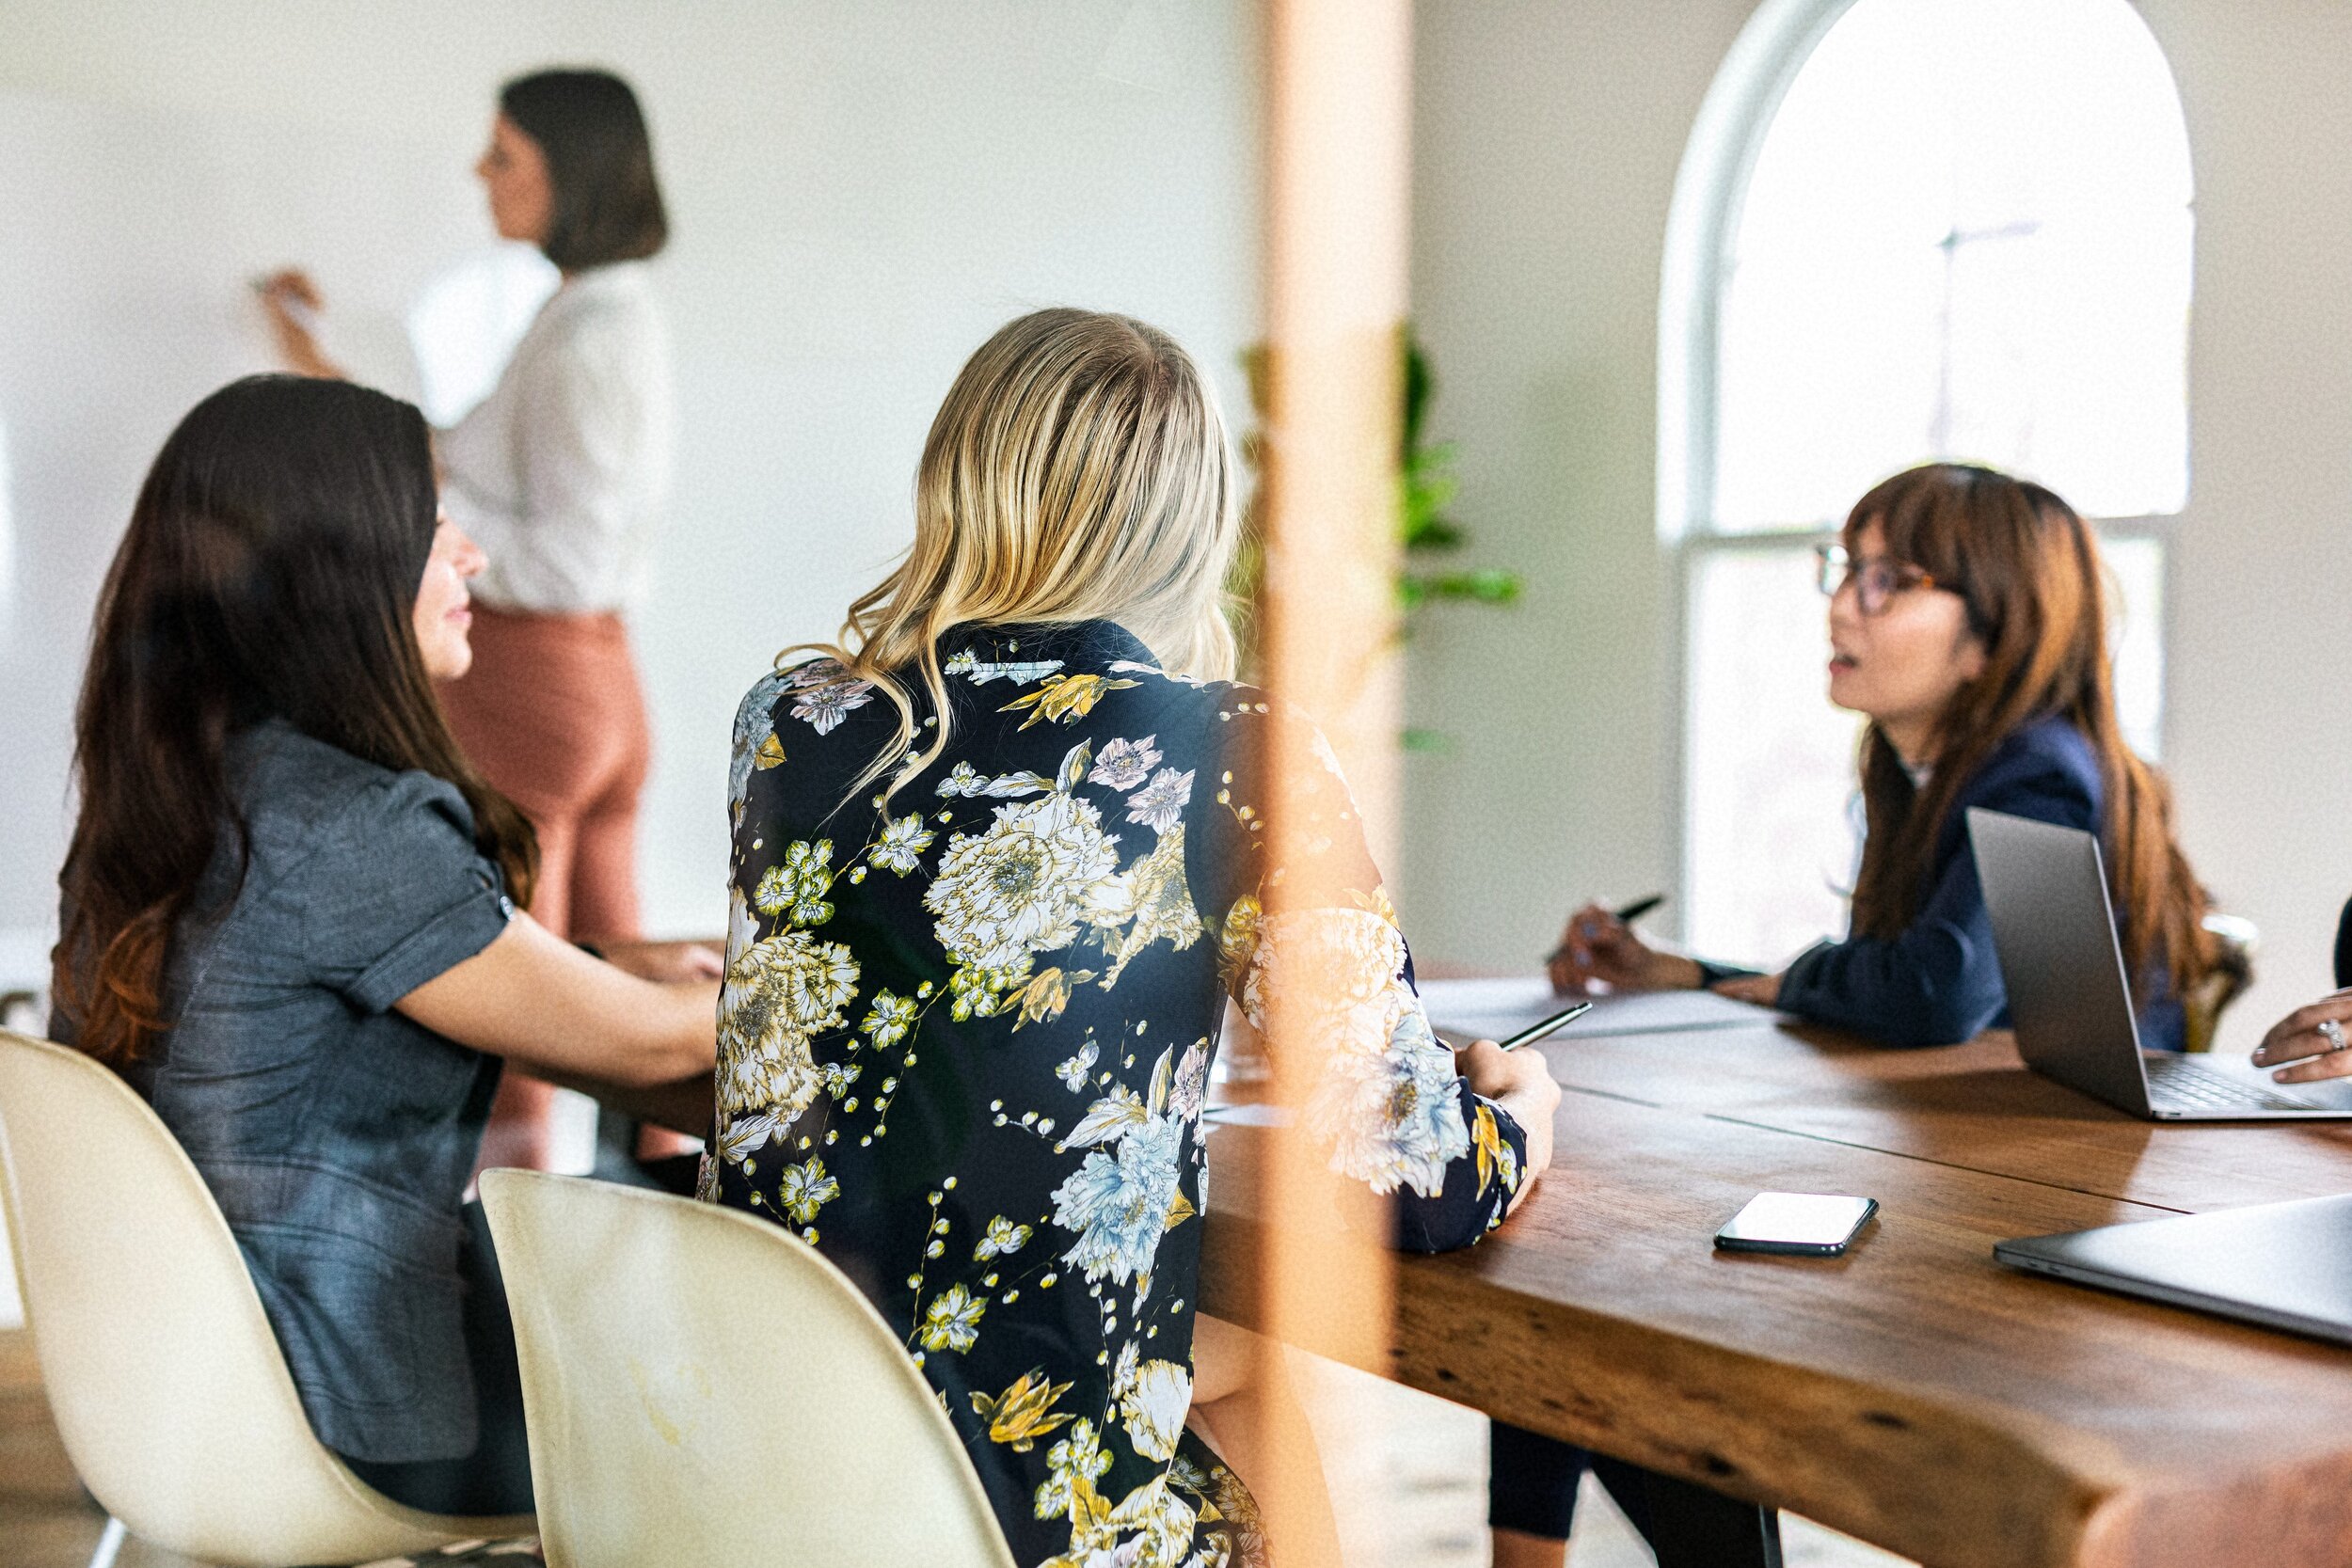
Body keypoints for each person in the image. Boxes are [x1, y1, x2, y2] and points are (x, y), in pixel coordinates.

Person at [711, 308, 1563, 1567]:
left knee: (1236, 1373)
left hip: (766, 1461)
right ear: (1188, 525)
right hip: (1015, 1516)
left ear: (962, 479)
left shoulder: (788, 719)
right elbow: (1413, 1176)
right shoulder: (1234, 745)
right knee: (1257, 1380)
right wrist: (1525, 1112)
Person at [1502, 462, 2216, 1568]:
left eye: (1889, 580)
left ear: (1990, 635)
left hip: (2058, 1213)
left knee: (1599, 1288)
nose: (1843, 601)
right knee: (1581, 1275)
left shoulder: (2033, 772)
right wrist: (1685, 970)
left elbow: (1935, 992)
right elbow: (1907, 980)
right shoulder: (1931, 772)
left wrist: (1768, 979)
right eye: (1845, 569)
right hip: (1981, 1171)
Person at [48, 374, 719, 1516]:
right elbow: (650, 1044)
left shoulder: (193, 797)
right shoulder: (347, 822)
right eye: (433, 522)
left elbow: (448, 976)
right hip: (344, 1404)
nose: (472, 559)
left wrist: (626, 969)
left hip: (201, 1382)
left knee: (670, 1192)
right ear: (337, 575)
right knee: (795, 1223)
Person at [262, 67, 679, 1171]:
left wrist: (441, 518)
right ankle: (636, 1275)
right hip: (596, 689)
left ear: (569, 175)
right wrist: (325, 366)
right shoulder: (586, 314)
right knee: (618, 992)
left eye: (505, 158)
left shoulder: (592, 338)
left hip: (541, 685)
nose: (482, 176)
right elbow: (467, 454)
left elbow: (568, 551)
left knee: (529, 1015)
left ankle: (511, 1290)